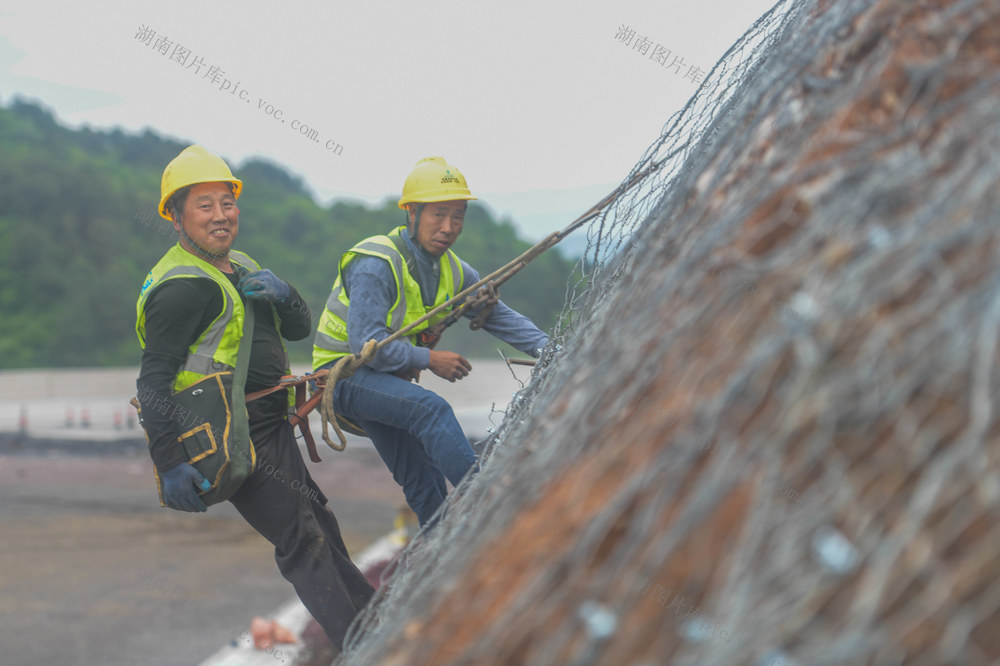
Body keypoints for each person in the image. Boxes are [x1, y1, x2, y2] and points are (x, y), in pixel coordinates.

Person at [135, 145, 373, 650]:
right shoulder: (180, 287)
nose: (221, 215)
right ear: (176, 218)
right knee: (299, 539)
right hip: (230, 432)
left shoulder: (240, 266)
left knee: (319, 523)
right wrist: (170, 461)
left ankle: (373, 622)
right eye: (205, 206)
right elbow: (152, 381)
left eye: (228, 202)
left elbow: (298, 327)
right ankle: (363, 645)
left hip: (271, 422)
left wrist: (285, 293)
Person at [312, 156, 550, 526]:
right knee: (430, 409)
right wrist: (429, 359)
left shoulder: (454, 271)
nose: (448, 227)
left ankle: (436, 550)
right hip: (342, 378)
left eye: (457, 216)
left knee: (420, 478)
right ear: (412, 212)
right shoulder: (376, 262)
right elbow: (365, 346)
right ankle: (488, 508)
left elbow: (501, 318)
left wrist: (550, 351)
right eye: (438, 214)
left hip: (385, 382)